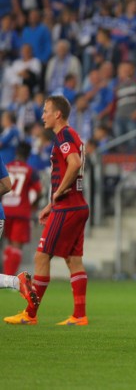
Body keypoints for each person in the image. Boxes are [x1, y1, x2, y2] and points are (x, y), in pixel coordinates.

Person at [4, 95, 90, 326]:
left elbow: (73, 163)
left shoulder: (64, 135)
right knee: (74, 261)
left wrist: (57, 194)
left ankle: (30, 314)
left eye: (45, 111)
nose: (42, 116)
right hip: (76, 204)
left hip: (68, 207)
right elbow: (70, 166)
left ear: (57, 114)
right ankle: (79, 315)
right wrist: (51, 204)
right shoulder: (71, 136)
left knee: (41, 256)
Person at [2, 142, 42, 275]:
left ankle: (6, 278)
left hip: (5, 210)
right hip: (21, 211)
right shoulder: (30, 171)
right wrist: (33, 207)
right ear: (28, 155)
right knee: (16, 246)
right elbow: (37, 191)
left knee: (8, 245)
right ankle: (9, 279)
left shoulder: (6, 167)